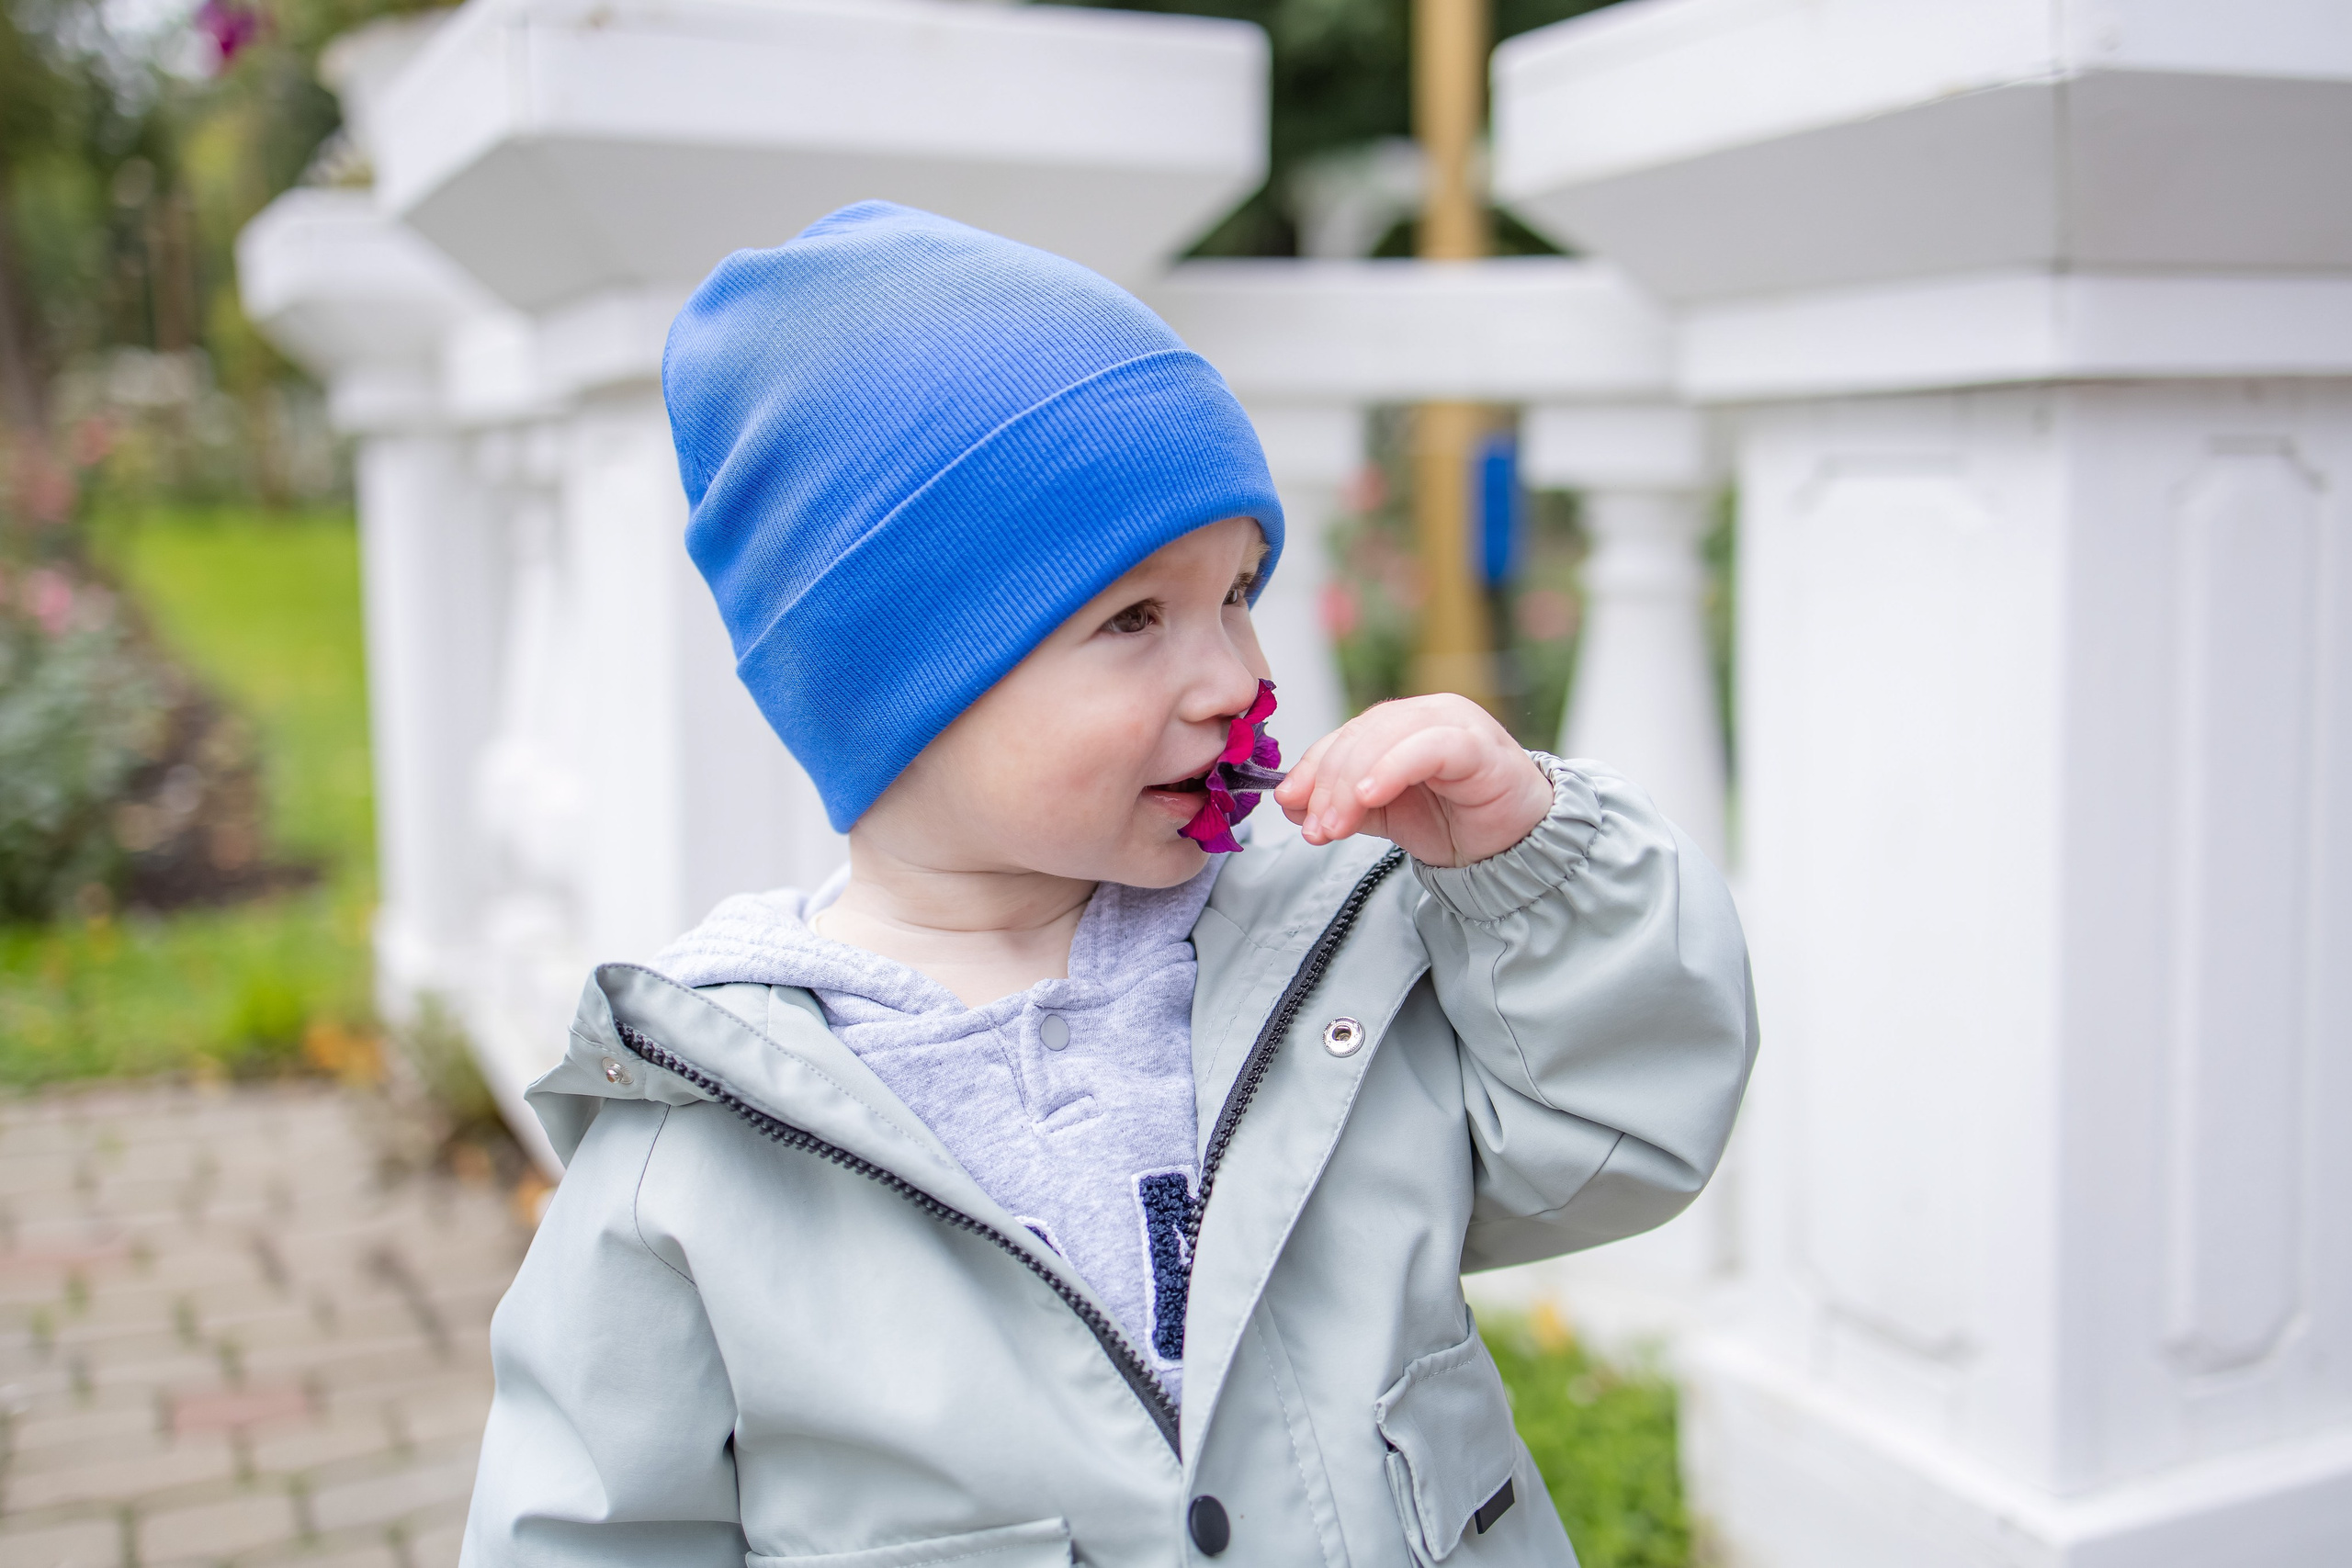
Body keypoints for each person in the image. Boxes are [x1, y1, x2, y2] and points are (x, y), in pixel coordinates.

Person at [460, 201, 1756, 1568]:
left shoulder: (1331, 972)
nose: (1235, 679)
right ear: (895, 686)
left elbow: (1619, 1130)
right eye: (1134, 618)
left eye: (1239, 593)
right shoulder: (705, 1137)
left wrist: (1527, 869)